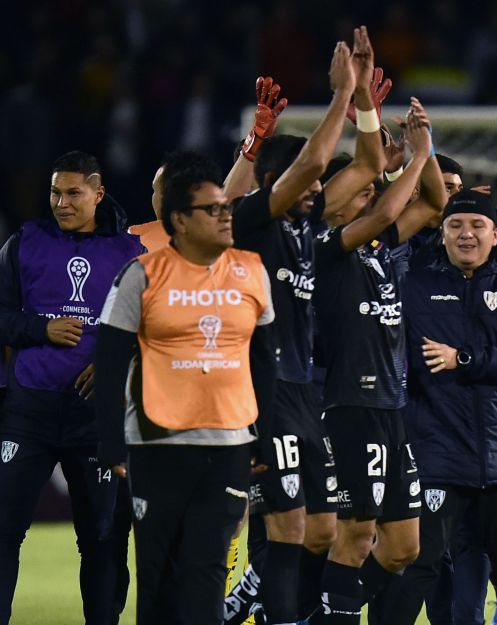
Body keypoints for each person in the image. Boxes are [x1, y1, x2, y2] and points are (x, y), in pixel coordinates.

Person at [94, 155, 276, 624]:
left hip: (228, 445)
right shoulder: (142, 274)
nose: (224, 215)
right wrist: (111, 441)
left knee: (208, 568)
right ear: (179, 220)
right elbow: (111, 358)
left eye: (225, 207)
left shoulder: (250, 272)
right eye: (211, 209)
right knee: (159, 573)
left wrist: (268, 435)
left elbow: (264, 362)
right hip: (156, 445)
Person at [226, 34, 370, 625]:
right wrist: (340, 92)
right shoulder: (258, 221)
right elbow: (312, 162)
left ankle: (247, 600)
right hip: (267, 390)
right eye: (304, 183)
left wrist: (364, 105)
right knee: (286, 527)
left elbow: (364, 167)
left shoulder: (304, 232)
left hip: (304, 391)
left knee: (320, 528)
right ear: (276, 183)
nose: (317, 188)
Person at [373, 189, 497, 625]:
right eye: (456, 225)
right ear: (442, 234)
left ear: (495, 233)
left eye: (476, 225)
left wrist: (462, 359)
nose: (466, 234)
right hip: (436, 458)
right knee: (416, 567)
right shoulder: (415, 287)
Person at [314, 101, 449, 624]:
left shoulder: (375, 249)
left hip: (390, 407)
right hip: (352, 404)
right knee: (355, 535)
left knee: (402, 548)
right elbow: (389, 211)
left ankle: (322, 605)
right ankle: (331, 612)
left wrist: (426, 153)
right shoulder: (325, 247)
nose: (369, 192)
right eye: (360, 189)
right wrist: (412, 157)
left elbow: (432, 201)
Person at [0, 151, 143, 625]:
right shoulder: (25, 243)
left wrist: (113, 363)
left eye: (74, 192)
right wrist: (41, 330)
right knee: (3, 532)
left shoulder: (131, 252)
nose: (62, 202)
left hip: (97, 419)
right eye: (56, 192)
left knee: (103, 539)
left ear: (98, 194)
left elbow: (155, 329)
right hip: (29, 413)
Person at [132, 76, 289, 254]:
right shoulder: (131, 238)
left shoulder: (133, 238)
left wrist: (255, 141)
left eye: (155, 189)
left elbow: (228, 200)